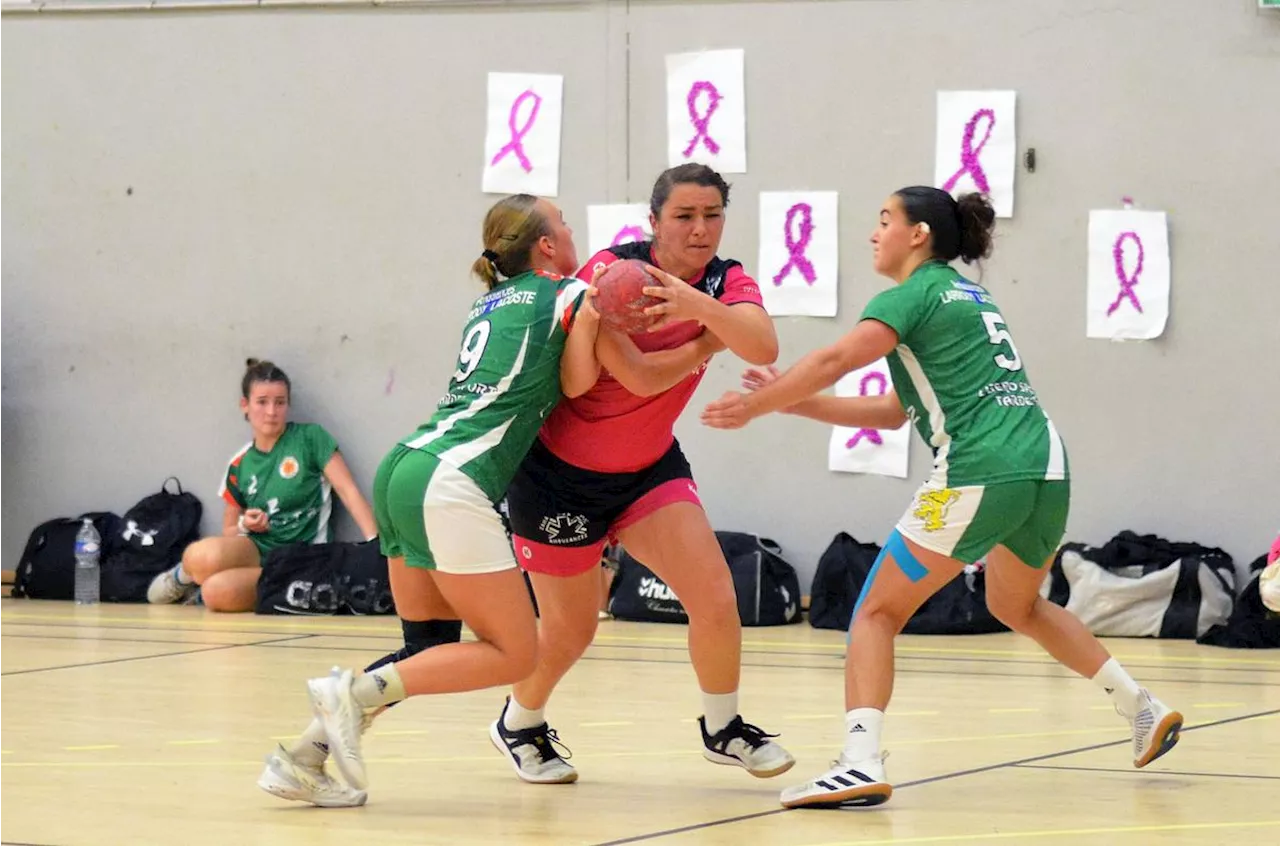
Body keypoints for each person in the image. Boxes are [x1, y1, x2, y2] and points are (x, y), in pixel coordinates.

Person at [701, 186, 1183, 809]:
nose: (874, 234)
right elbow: (896, 411)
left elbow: (834, 358)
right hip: (1045, 465)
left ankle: (857, 762)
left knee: (874, 612)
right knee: (1018, 605)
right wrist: (788, 403)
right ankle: (1141, 705)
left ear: (919, 234)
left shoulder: (910, 295)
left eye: (884, 221)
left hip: (980, 469)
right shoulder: (968, 295)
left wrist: (755, 405)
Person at [262, 193, 714, 806]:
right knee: (514, 651)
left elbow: (573, 380)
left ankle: (301, 758)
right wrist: (693, 338)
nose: (575, 231)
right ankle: (349, 693)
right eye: (564, 223)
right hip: (454, 481)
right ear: (547, 246)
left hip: (405, 466)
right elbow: (621, 373)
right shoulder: (569, 291)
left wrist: (587, 322)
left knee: (426, 652)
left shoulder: (490, 302)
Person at [492, 163, 794, 786]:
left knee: (715, 597)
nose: (700, 228)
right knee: (571, 632)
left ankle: (723, 727)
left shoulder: (724, 281)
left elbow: (763, 346)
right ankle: (518, 722)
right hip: (559, 477)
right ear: (653, 222)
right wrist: (710, 339)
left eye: (712, 214)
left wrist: (694, 305)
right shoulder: (608, 272)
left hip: (648, 469)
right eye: (684, 216)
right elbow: (637, 377)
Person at [147, 359, 380, 612]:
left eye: (280, 402)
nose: (271, 411)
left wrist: (375, 545)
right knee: (200, 555)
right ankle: (182, 577)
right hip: (257, 549)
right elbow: (229, 530)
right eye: (262, 402)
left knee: (217, 593)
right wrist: (245, 524)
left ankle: (202, 593)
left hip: (302, 559)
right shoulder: (240, 463)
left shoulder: (310, 438)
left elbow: (349, 492)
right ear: (244, 405)